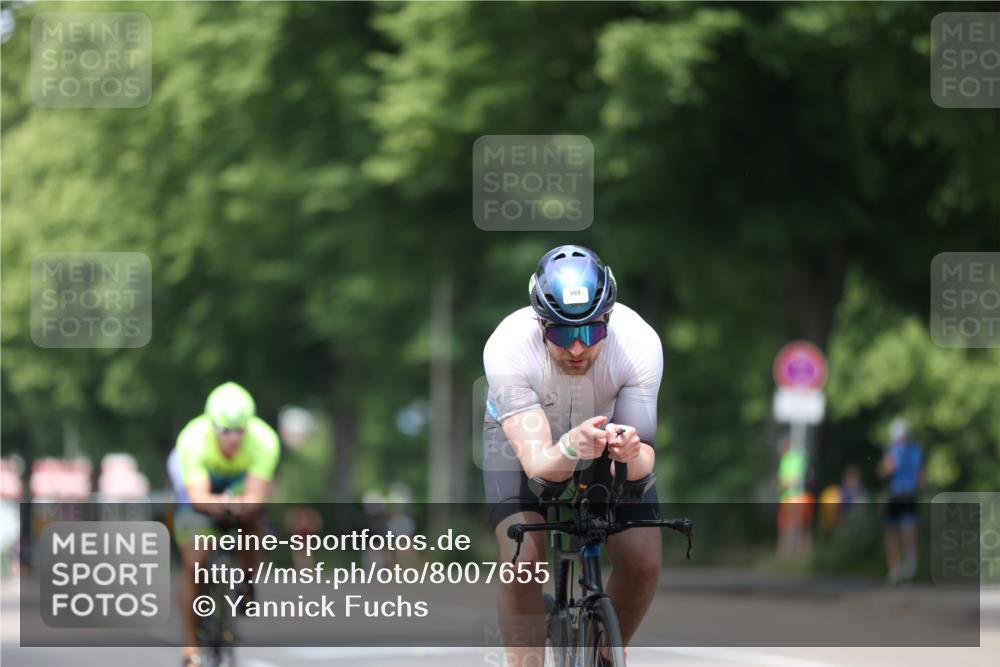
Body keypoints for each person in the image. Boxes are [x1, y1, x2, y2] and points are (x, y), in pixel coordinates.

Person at [482, 245, 663, 666]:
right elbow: (542, 471)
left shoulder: (639, 343)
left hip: (603, 437)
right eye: (562, 333)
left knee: (642, 565)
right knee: (523, 562)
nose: (578, 348)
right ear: (539, 323)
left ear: (609, 320)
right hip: (524, 444)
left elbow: (643, 465)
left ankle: (603, 654)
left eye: (592, 332)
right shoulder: (507, 347)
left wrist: (630, 450)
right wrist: (569, 446)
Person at [167, 382, 281, 667]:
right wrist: (220, 505)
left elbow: (255, 497)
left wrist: (241, 506)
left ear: (249, 426)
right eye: (225, 431)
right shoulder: (192, 439)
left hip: (239, 483)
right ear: (212, 426)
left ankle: (247, 581)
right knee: (195, 564)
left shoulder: (264, 441)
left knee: (253, 519)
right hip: (198, 488)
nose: (233, 438)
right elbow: (198, 498)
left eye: (240, 430)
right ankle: (191, 646)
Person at [879, 417, 924, 585]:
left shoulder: (893, 449)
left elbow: (888, 469)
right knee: (909, 531)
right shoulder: (917, 449)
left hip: (896, 494)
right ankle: (910, 564)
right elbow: (921, 476)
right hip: (911, 494)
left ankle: (894, 569)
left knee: (892, 532)